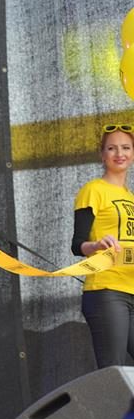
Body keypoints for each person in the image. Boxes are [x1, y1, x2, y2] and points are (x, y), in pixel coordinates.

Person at [71, 124, 134, 368]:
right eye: (112, 148)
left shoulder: (130, 197)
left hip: (131, 288)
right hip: (106, 290)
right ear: (102, 155)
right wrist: (96, 245)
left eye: (126, 148)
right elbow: (77, 245)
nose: (119, 153)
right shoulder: (93, 190)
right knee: (113, 368)